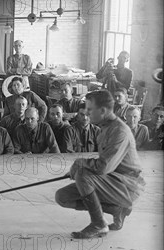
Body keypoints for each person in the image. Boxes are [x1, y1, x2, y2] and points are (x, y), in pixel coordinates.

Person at [55, 90, 145, 238]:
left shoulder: (119, 131)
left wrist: (80, 164)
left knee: (83, 174)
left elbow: (104, 167)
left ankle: (98, 224)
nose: (87, 113)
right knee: (62, 197)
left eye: (90, 110)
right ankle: (117, 210)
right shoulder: (105, 127)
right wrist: (79, 169)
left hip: (128, 185)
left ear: (103, 110)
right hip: (112, 180)